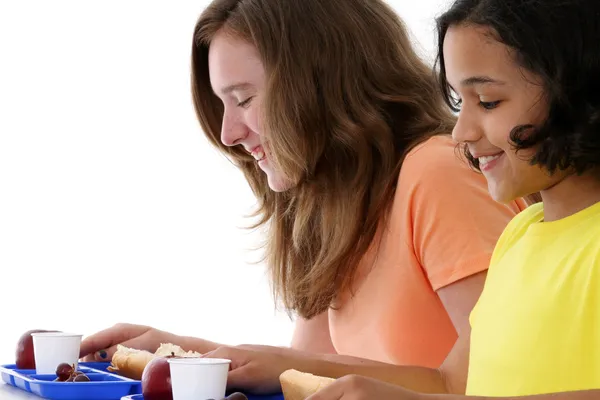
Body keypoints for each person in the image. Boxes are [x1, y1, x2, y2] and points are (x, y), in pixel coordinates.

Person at [79, 0, 527, 378]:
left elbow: (502, 378)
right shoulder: (334, 207)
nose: (228, 133)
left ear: (322, 83)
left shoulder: (436, 171)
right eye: (221, 104)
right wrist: (183, 352)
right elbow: (304, 371)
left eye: (244, 99)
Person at [200, 0, 600, 399]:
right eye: (460, 102)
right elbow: (452, 382)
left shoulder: (438, 172)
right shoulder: (521, 235)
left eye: (489, 102)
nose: (460, 131)